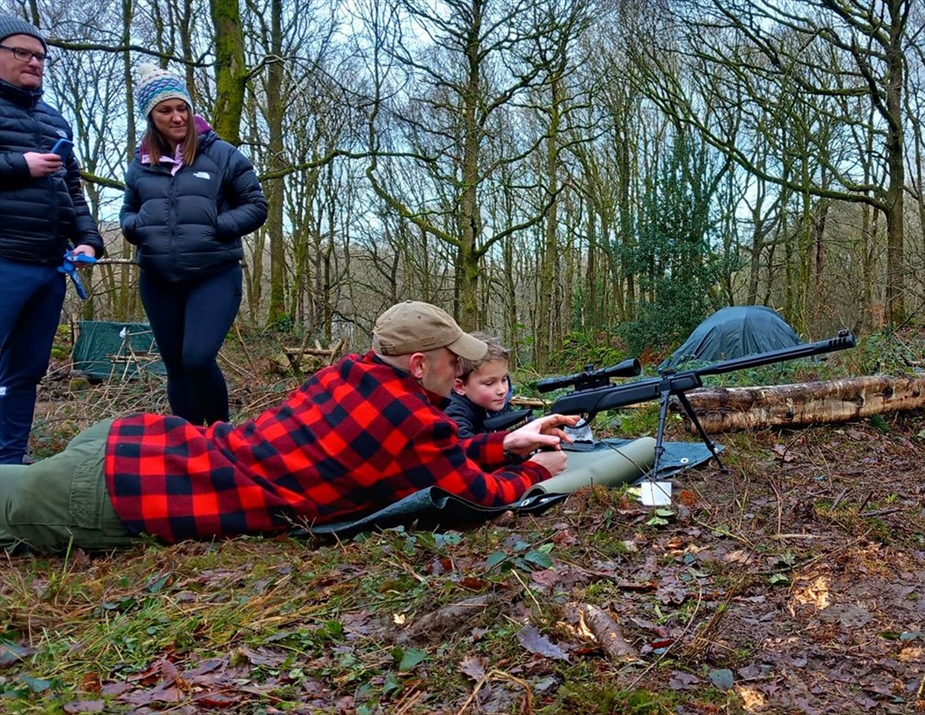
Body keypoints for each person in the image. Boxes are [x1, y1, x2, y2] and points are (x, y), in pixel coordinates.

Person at [0, 300, 579, 554]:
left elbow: (432, 454)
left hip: (138, 442)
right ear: (421, 365)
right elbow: (469, 493)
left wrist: (506, 440)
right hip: (127, 489)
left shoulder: (351, 375)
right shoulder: (409, 418)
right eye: (455, 361)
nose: (462, 371)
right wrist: (535, 468)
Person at [120, 63, 268, 426]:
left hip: (213, 274)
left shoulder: (222, 155)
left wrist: (217, 226)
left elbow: (256, 204)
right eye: (165, 110)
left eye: (181, 107)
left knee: (197, 358)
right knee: (175, 367)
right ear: (151, 117)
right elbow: (127, 211)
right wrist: (136, 226)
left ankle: (221, 439)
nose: (176, 117)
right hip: (157, 278)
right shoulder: (140, 165)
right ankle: (188, 447)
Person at [0, 16, 105, 465]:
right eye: (21, 52)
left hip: (48, 265)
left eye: (40, 55)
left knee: (25, 371)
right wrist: (18, 166)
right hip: (3, 259)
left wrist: (89, 239)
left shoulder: (53, 118)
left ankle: (9, 463)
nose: (34, 61)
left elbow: (72, 188)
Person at [445, 331, 520, 438]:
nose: (502, 390)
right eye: (489, 383)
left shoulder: (494, 404)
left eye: (504, 379)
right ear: (460, 387)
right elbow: (464, 446)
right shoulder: (454, 413)